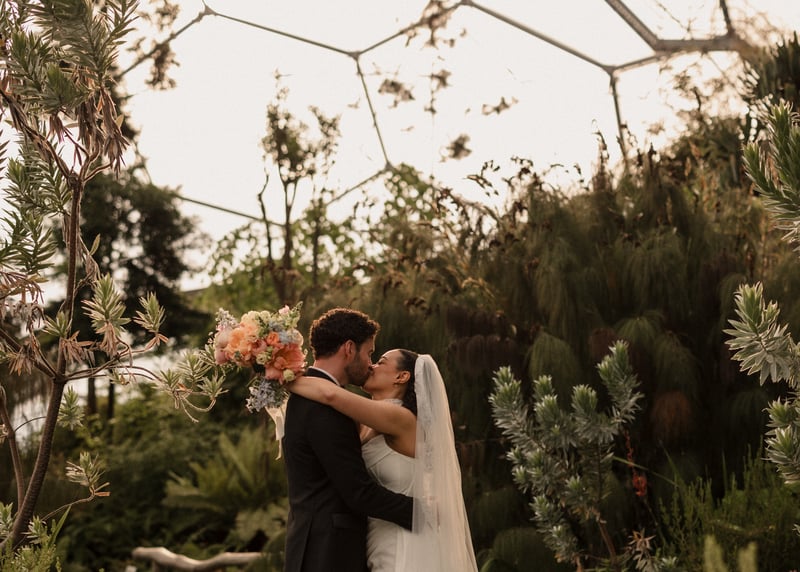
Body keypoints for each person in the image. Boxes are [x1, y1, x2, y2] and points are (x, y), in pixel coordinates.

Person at [289, 348, 479, 572]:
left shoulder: (401, 418)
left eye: (381, 362)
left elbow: (330, 395)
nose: (372, 366)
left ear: (402, 376)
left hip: (405, 540)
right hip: (379, 536)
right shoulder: (367, 423)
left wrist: (284, 379)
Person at [281, 308, 413, 572]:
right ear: (350, 349)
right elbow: (358, 492)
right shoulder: (324, 405)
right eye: (369, 353)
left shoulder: (312, 393)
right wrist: (422, 513)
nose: (370, 364)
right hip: (327, 553)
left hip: (321, 547)